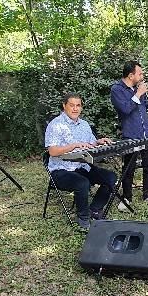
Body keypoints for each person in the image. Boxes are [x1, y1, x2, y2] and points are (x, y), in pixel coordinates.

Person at [45, 93, 118, 231]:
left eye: (78, 105)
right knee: (82, 183)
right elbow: (53, 152)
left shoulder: (84, 124)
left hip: (82, 166)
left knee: (111, 177)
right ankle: (83, 217)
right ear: (64, 106)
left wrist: (98, 142)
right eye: (71, 105)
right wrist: (74, 145)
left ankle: (95, 209)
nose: (75, 109)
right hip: (61, 170)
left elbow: (89, 144)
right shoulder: (55, 125)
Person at [110, 61, 148, 211]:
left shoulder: (138, 89)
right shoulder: (117, 90)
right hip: (131, 136)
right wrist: (138, 94)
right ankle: (127, 198)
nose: (142, 76)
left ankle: (147, 194)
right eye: (140, 73)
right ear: (131, 75)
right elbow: (125, 109)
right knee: (128, 168)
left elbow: (144, 105)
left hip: (146, 134)